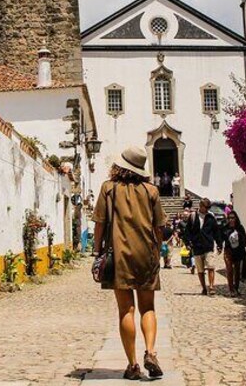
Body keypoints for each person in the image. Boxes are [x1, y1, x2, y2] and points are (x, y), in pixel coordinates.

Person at [92, 147, 166, 379]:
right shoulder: (150, 190)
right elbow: (159, 227)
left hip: (118, 254)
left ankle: (133, 365)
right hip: (146, 254)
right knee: (148, 307)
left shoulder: (108, 188)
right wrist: (157, 248)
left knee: (126, 309)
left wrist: (96, 250)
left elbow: (99, 224)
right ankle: (151, 352)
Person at [185, 198, 223, 295]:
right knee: (200, 269)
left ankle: (211, 286)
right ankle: (204, 288)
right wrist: (188, 243)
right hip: (197, 246)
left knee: (211, 266)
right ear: (200, 206)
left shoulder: (211, 217)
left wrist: (219, 244)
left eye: (208, 207)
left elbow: (216, 231)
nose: (207, 209)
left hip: (208, 245)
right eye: (206, 207)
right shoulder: (193, 216)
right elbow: (187, 231)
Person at [222, 210, 246, 296]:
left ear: (236, 218)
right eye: (229, 218)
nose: (231, 219)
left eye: (232, 218)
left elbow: (244, 239)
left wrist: (240, 238)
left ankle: (236, 288)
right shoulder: (225, 228)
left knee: (237, 270)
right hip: (228, 251)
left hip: (238, 251)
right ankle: (231, 289)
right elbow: (221, 238)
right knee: (229, 270)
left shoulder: (240, 228)